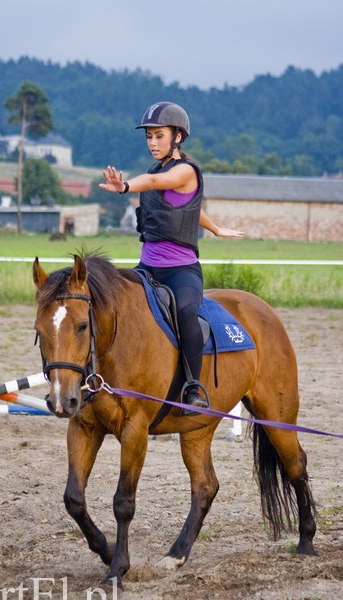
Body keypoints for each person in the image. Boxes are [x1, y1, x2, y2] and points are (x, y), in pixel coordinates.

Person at [99, 101, 244, 411]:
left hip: (181, 272)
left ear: (177, 137)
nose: (152, 142)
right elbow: (188, 208)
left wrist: (124, 186)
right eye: (149, 136)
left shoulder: (184, 171)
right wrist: (215, 227)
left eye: (159, 135)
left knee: (187, 314)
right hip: (147, 268)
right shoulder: (155, 173)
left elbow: (156, 186)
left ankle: (193, 387)